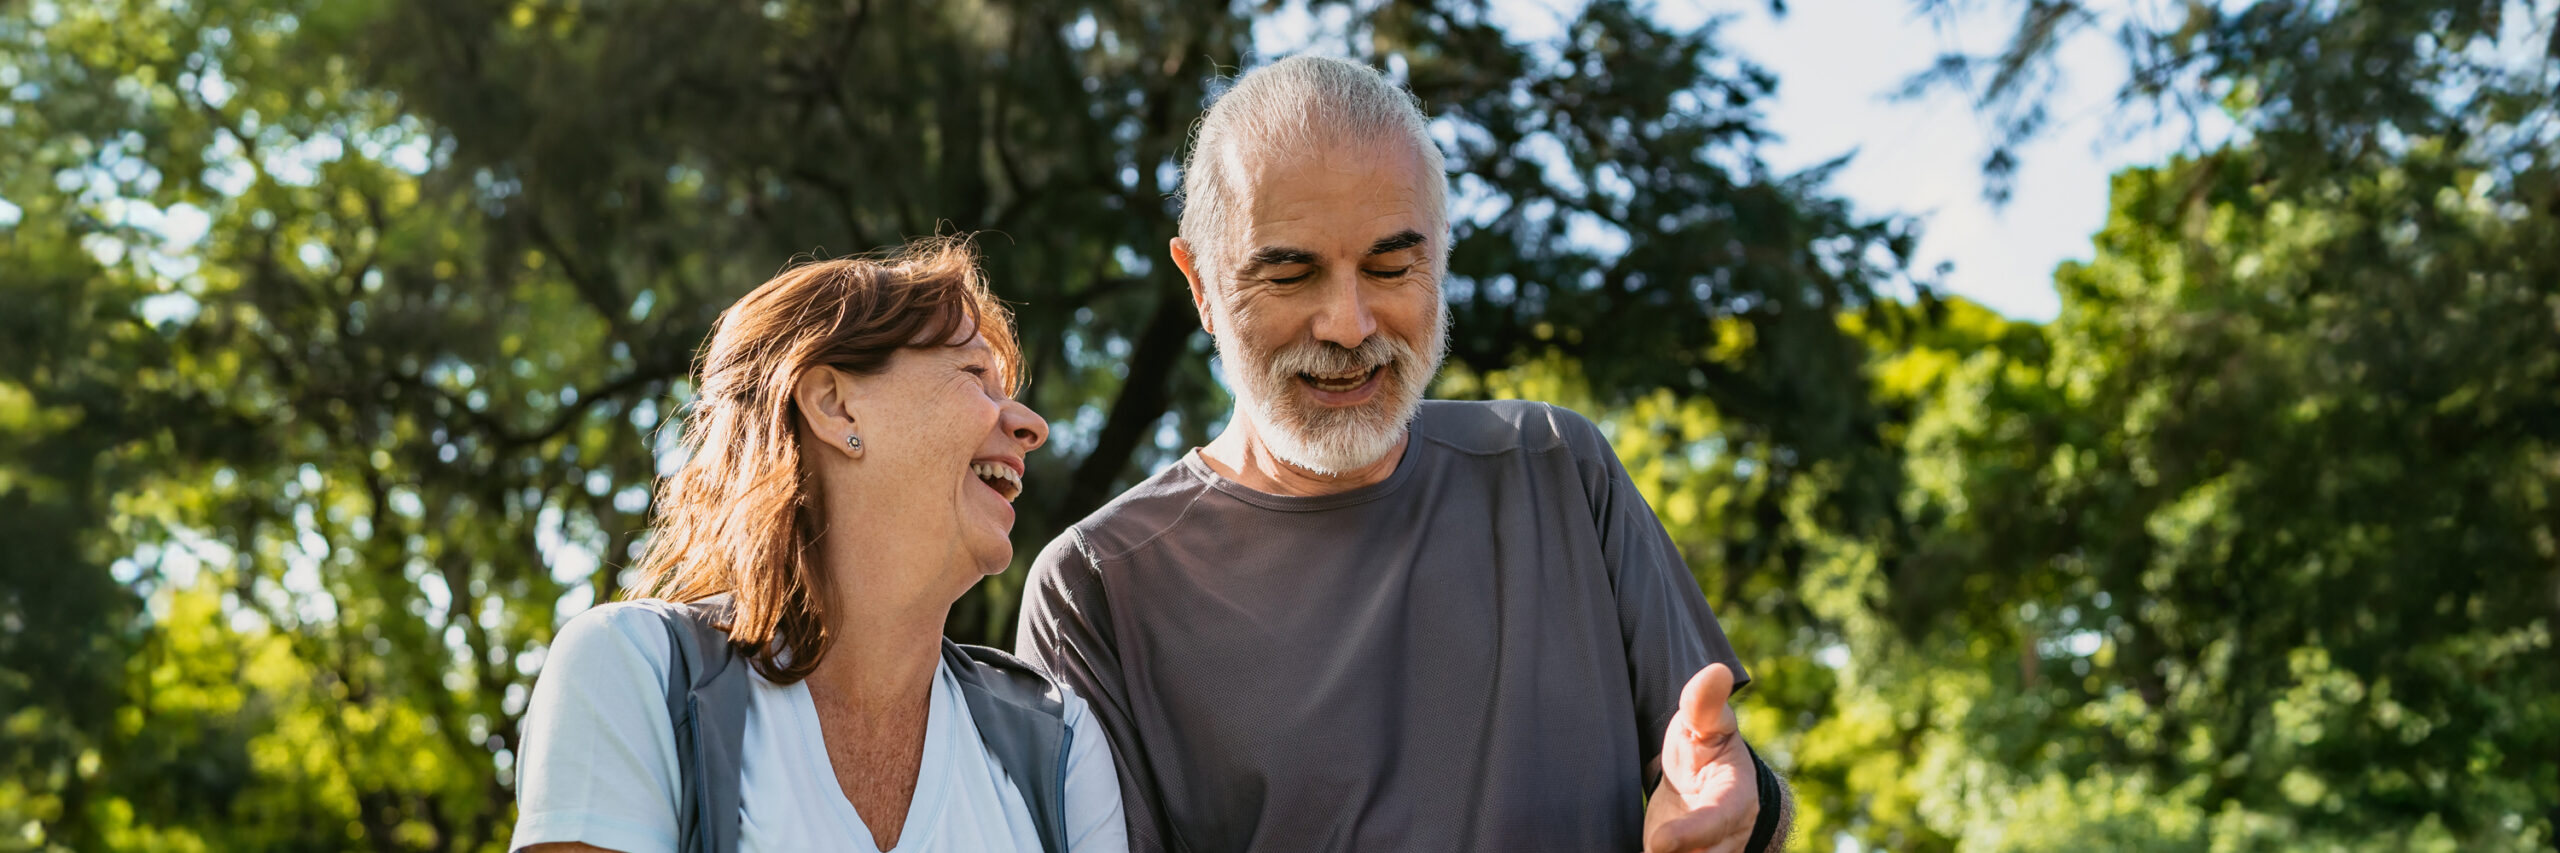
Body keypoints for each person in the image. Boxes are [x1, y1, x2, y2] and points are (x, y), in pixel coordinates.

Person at [1015, 57, 1794, 853]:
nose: (1349, 324)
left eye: (1390, 266)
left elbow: (1717, 787)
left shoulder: (1560, 469)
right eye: (1288, 273)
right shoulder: (1098, 589)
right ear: (1201, 285)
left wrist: (1741, 805)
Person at [511, 239, 1127, 853]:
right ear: (835, 407)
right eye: (973, 375)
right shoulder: (635, 670)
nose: (1030, 425)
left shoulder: (1060, 743)